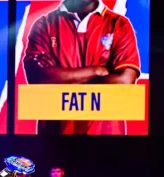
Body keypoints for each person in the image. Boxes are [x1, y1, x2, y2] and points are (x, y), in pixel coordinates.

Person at [22, 0, 141, 135]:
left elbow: (124, 82)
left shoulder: (119, 24)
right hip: (54, 134)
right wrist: (97, 71)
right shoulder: (44, 24)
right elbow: (38, 79)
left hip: (106, 134)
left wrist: (61, 77)